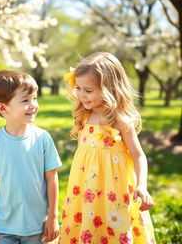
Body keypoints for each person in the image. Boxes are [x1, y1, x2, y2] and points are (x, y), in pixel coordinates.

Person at [59, 52, 156, 244]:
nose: (81, 95)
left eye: (88, 90)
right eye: (78, 88)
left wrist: (142, 186)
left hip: (114, 188)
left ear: (109, 88)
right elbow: (84, 157)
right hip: (86, 187)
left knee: (114, 225)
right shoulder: (83, 115)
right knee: (88, 223)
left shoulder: (119, 120)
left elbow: (138, 156)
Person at [0, 70, 62, 244]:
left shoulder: (43, 139)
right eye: (25, 100)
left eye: (35, 98)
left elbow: (52, 178)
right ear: (3, 108)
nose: (33, 105)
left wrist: (52, 217)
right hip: (4, 227)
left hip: (37, 225)